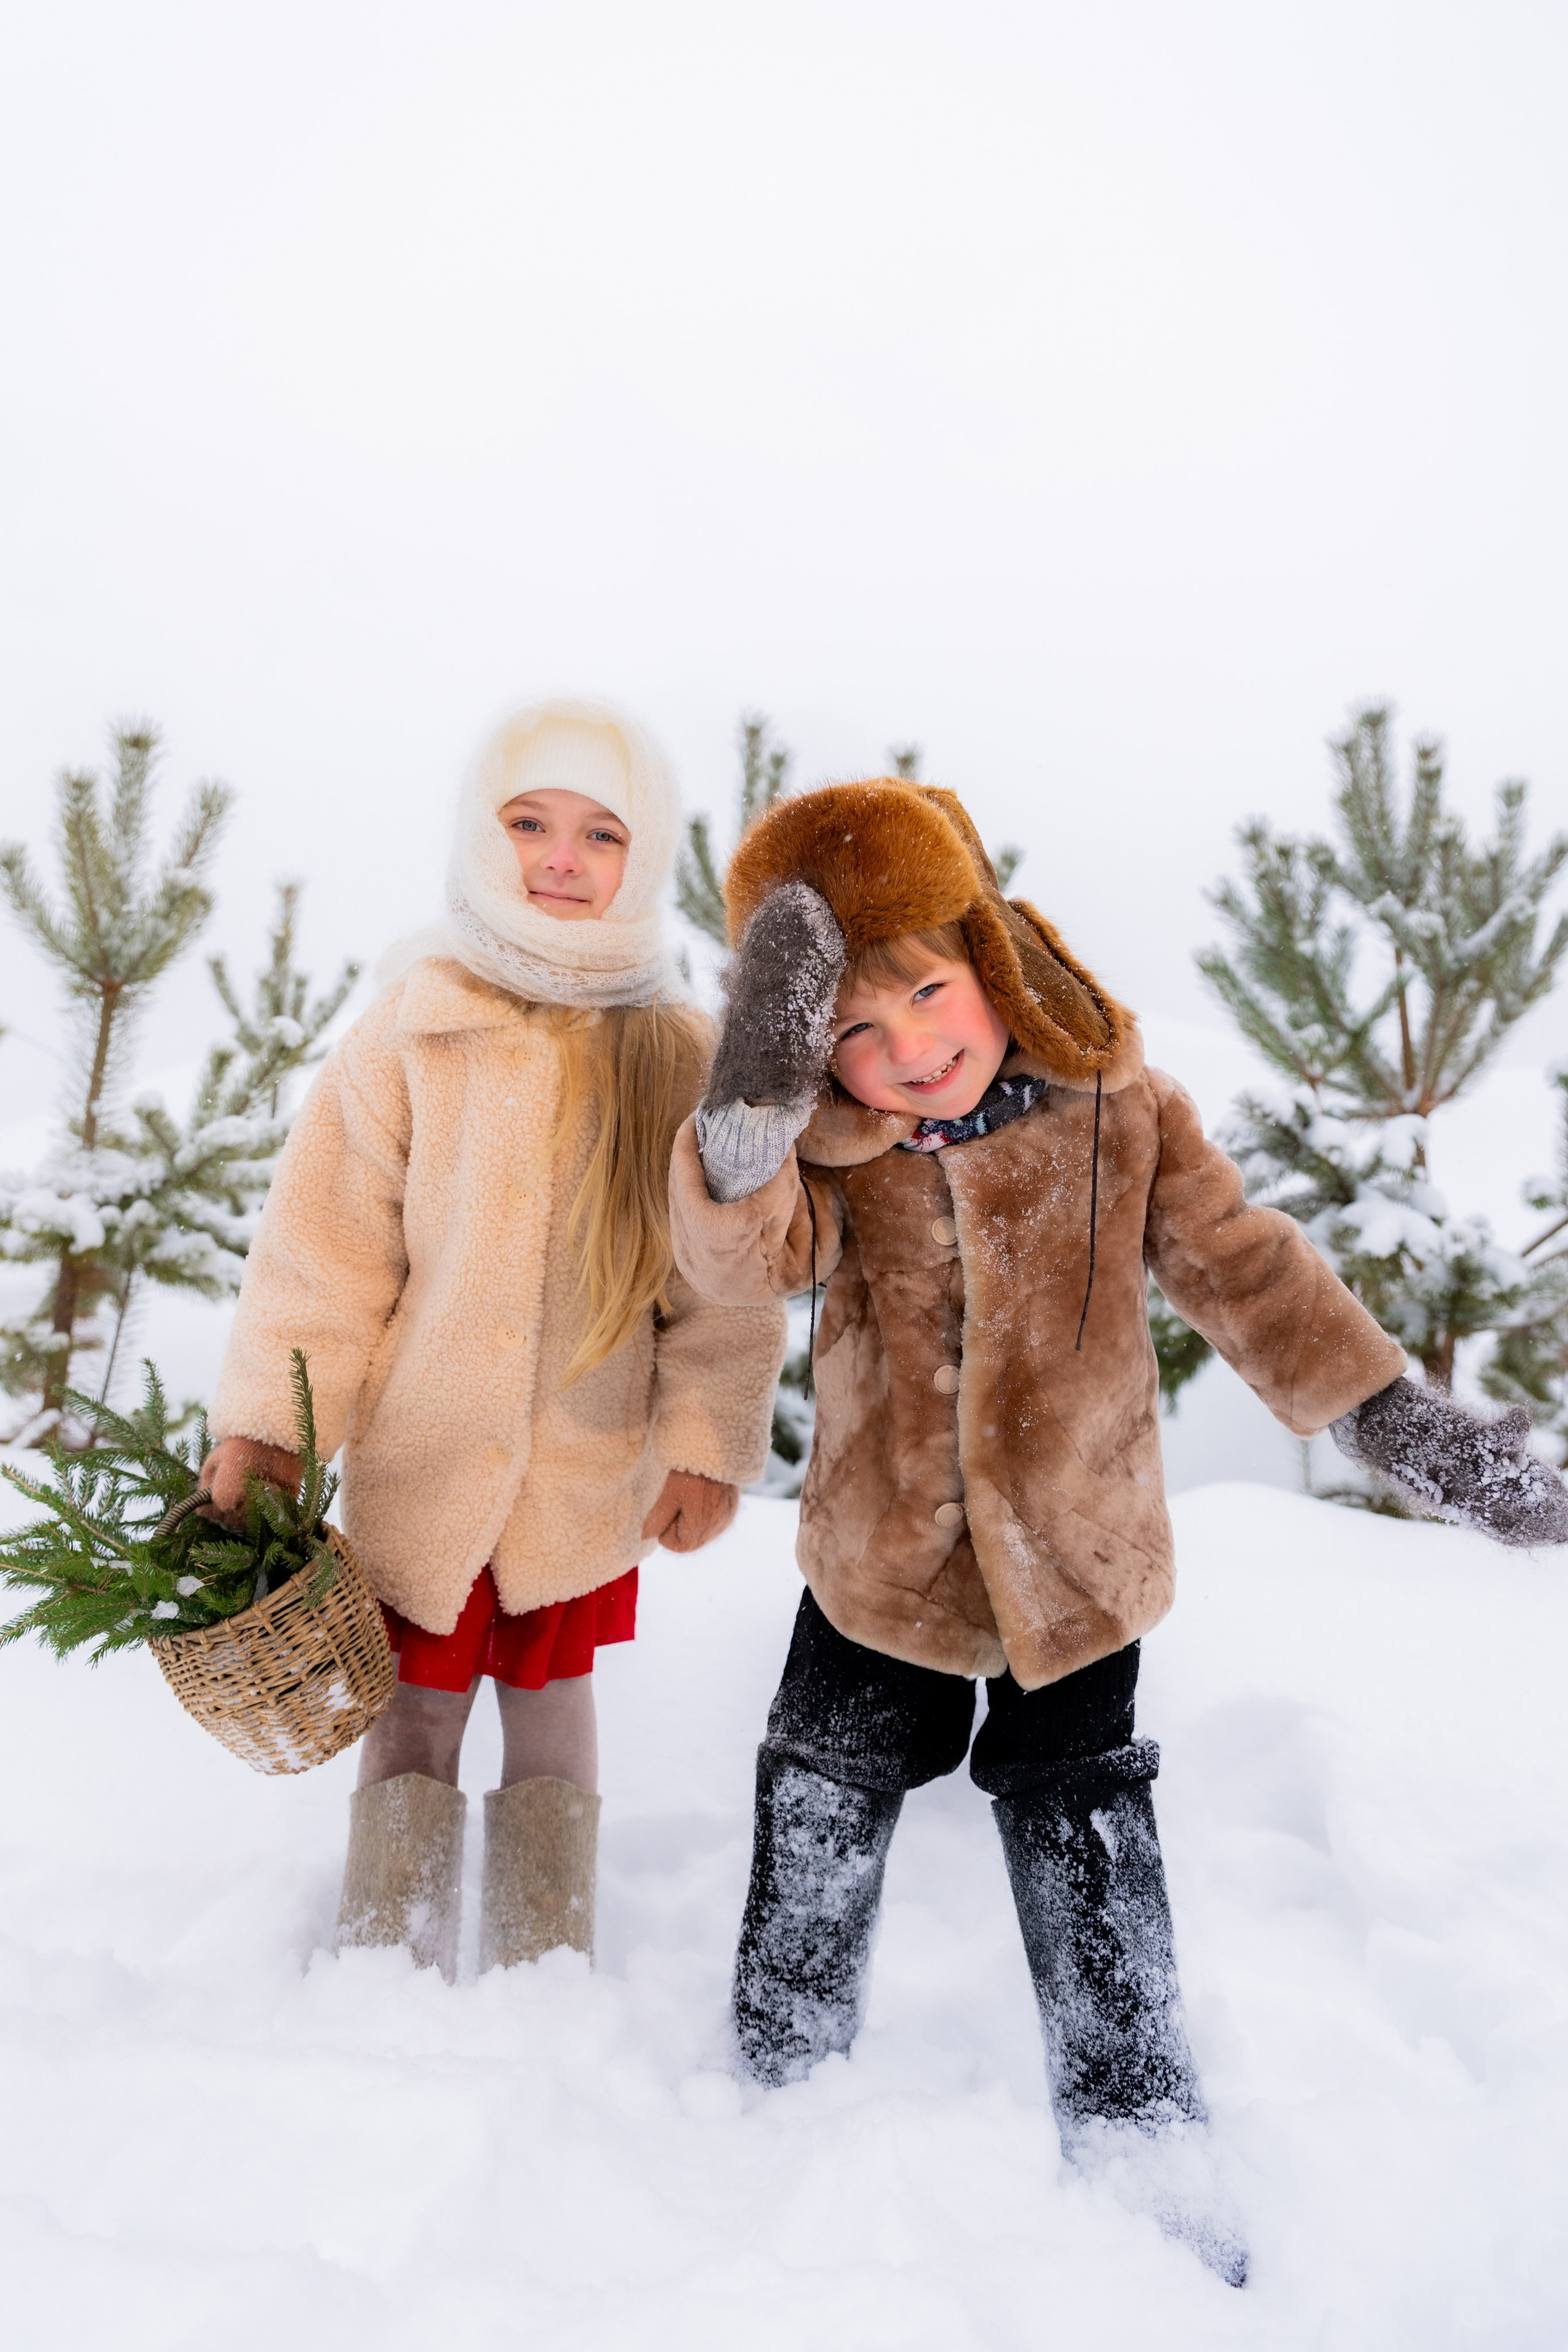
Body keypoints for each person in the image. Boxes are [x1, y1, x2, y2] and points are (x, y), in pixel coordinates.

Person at [668, 777, 1568, 2286]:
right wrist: (750, 1128)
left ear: (986, 961)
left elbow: (1240, 1267)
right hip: (880, 1561)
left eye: (932, 1002)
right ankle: (779, 2054)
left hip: (1076, 1564)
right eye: (854, 1042)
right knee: (821, 1780)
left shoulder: (1118, 1110)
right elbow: (744, 1266)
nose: (910, 1058)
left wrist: (1392, 1417)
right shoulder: (832, 1157)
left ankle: (1133, 2111)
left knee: (1084, 1814)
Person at [201, 698, 786, 1980]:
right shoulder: (414, 1026)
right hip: (425, 1459)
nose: (561, 858)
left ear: (647, 855)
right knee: (412, 1707)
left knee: (550, 1705)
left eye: (599, 832)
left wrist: (702, 1436)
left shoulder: (676, 1050)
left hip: (587, 1468)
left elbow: (724, 1290)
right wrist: (270, 1432)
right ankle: (386, 1962)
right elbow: (327, 1258)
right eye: (530, 822)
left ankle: (540, 1964)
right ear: (483, 831)